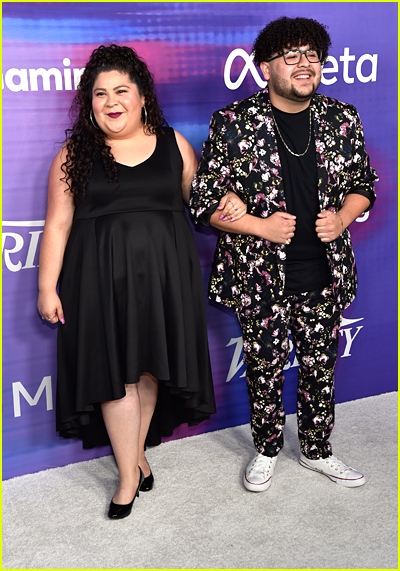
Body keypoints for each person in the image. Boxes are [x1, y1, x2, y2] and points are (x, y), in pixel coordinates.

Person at [37, 44, 238, 519]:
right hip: (98, 283)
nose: (111, 101)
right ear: (90, 104)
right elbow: (57, 225)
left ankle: (138, 454)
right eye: (100, 93)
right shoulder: (75, 154)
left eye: (121, 90)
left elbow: (203, 205)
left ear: (142, 95)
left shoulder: (174, 145)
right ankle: (128, 475)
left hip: (168, 281)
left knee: (149, 370)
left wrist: (230, 204)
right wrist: (47, 287)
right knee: (116, 376)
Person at [190, 17, 377, 492]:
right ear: (266, 66)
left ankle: (318, 450)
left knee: (320, 368)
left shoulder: (342, 118)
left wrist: (343, 218)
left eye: (312, 56)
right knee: (264, 369)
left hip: (324, 271)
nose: (304, 65)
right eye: (291, 56)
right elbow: (203, 202)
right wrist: (260, 226)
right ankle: (267, 449)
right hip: (259, 277)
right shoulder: (232, 123)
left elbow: (362, 186)